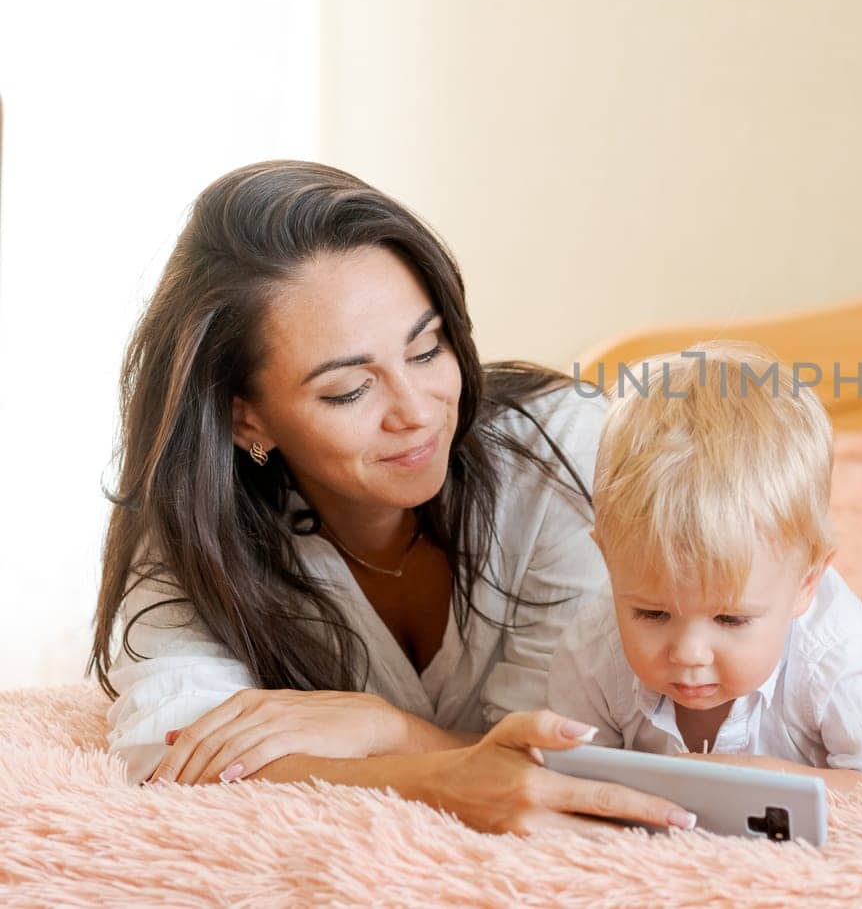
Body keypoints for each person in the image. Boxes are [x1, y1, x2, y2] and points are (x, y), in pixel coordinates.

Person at [91, 160, 696, 833]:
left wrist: (384, 730)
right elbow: (169, 746)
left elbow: (573, 754)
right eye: (349, 390)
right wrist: (433, 777)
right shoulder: (197, 518)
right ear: (245, 418)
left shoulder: (564, 455)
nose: (416, 410)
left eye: (428, 348)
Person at [546, 343, 862, 795]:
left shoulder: (841, 659)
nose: (689, 653)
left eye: (730, 619)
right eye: (653, 614)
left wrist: (768, 777)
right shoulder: (593, 644)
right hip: (783, 607)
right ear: (607, 560)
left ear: (806, 582)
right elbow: (569, 771)